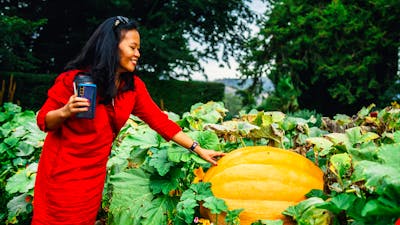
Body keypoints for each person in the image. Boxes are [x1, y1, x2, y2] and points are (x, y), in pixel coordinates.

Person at [32, 16, 225, 225]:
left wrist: (198, 148)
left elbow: (160, 122)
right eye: (133, 47)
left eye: (138, 49)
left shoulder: (132, 88)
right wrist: (65, 111)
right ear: (113, 46)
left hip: (93, 177)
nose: (137, 54)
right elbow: (44, 121)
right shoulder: (75, 80)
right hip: (61, 175)